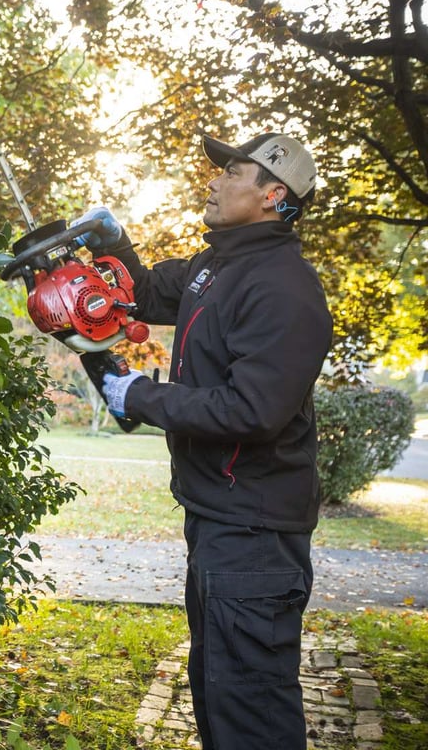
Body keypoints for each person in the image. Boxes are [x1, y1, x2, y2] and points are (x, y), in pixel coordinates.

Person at [75, 132, 333, 749]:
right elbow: (137, 290)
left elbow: (253, 411)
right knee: (220, 693)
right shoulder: (212, 268)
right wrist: (114, 246)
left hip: (256, 534)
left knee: (250, 713)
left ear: (274, 195)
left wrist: (139, 396)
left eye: (233, 173)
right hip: (218, 519)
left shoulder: (284, 289)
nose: (214, 182)